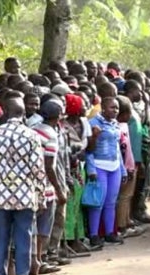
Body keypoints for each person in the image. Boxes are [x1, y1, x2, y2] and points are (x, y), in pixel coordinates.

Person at [0, 97, 46, 275]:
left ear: (5, 113)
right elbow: (38, 169)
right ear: (23, 113)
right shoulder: (31, 135)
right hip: (24, 194)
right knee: (23, 238)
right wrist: (41, 193)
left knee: (0, 239)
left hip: (1, 193)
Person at [31, 98, 68, 272]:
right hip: (45, 186)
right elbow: (49, 166)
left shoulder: (32, 130)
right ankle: (39, 259)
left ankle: (34, 259)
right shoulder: (51, 135)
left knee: (32, 225)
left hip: (29, 185)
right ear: (58, 116)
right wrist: (59, 191)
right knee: (44, 226)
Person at [86, 97, 128, 247]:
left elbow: (117, 149)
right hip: (99, 166)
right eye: (112, 107)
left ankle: (110, 233)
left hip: (114, 166)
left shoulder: (115, 125)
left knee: (111, 202)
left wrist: (122, 170)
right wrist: (91, 169)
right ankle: (94, 235)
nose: (115, 111)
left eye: (116, 108)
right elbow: (88, 150)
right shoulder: (93, 124)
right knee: (98, 202)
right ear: (103, 107)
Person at [124, 80, 150, 224]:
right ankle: (135, 212)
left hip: (145, 148)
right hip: (137, 153)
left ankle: (139, 210)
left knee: (144, 183)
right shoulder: (128, 110)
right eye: (139, 90)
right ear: (131, 91)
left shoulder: (137, 108)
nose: (141, 93)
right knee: (137, 185)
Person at [62, 94, 93, 252]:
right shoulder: (63, 126)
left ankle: (77, 238)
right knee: (68, 204)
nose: (85, 108)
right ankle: (66, 240)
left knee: (78, 205)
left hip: (80, 167)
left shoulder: (83, 122)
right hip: (68, 168)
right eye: (81, 105)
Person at [115, 96, 145, 238]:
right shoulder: (121, 127)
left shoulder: (125, 125)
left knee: (128, 195)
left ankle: (126, 221)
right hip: (127, 166)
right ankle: (122, 226)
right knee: (124, 196)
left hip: (131, 164)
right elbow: (127, 149)